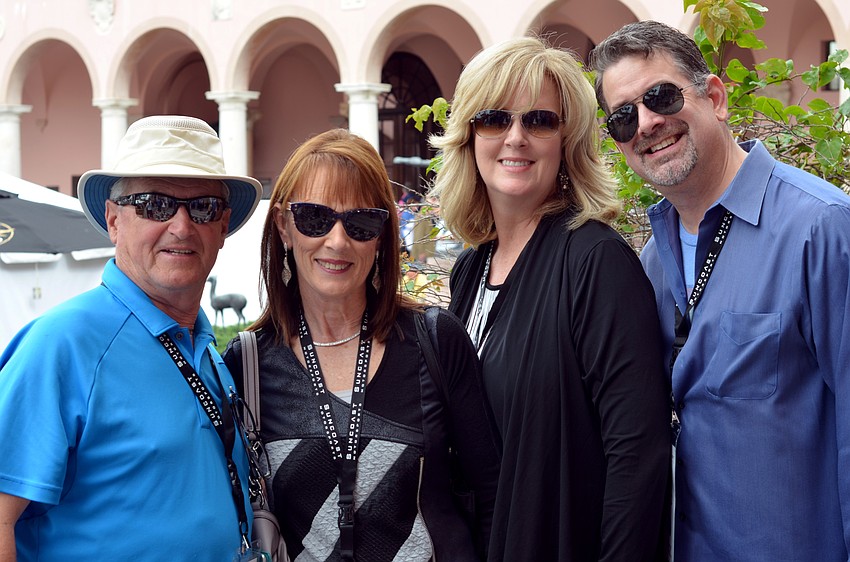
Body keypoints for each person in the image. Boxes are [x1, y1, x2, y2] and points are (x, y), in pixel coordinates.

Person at [590, 20, 850, 561]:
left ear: (715, 97)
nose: (647, 124)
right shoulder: (652, 261)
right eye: (623, 117)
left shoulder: (821, 228)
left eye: (660, 96)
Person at [429, 36, 671, 561]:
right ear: (469, 136)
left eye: (539, 121)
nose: (516, 137)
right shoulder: (471, 269)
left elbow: (637, 456)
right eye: (494, 119)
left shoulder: (595, 261)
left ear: (567, 141)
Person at [222, 128, 501, 561]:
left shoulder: (434, 340)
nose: (337, 241)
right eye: (315, 218)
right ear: (283, 225)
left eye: (361, 222)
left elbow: (492, 497)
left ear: (382, 235)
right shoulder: (248, 365)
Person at [0, 115, 263, 561]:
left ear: (222, 227)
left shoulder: (207, 351)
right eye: (155, 205)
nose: (181, 226)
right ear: (114, 220)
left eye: (202, 207)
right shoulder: (63, 345)